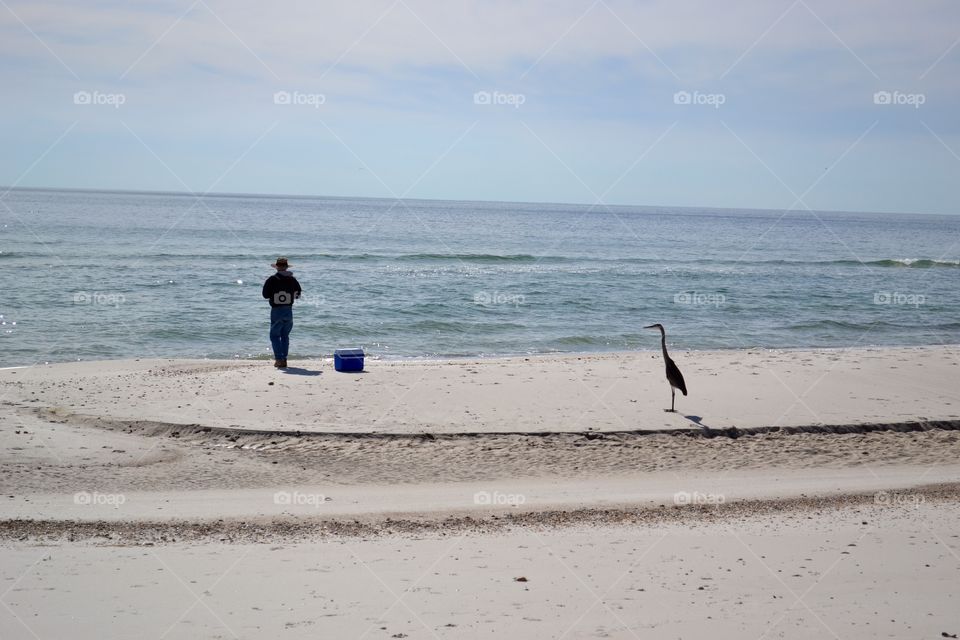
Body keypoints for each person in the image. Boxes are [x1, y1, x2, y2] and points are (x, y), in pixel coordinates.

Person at [261, 257, 301, 368]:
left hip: (277, 310)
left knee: (274, 336)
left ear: (277, 267)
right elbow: (298, 295)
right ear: (286, 267)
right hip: (288, 310)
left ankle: (279, 359)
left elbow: (265, 295)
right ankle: (284, 359)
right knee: (285, 336)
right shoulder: (293, 280)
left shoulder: (272, 279)